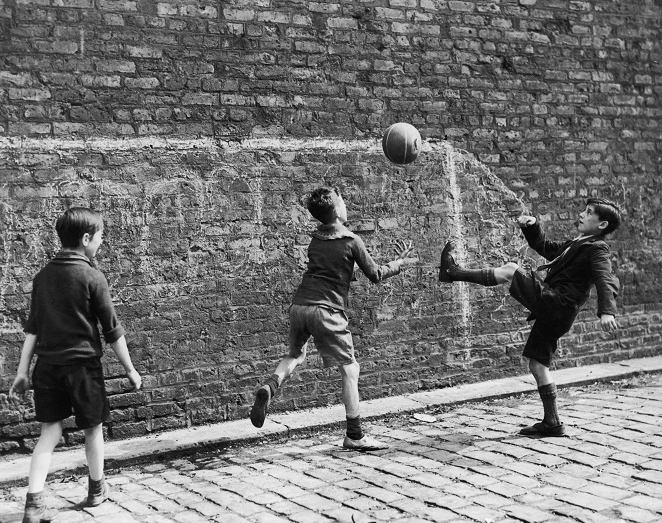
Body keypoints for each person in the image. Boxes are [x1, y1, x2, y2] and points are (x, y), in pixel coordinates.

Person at [250, 186, 418, 451]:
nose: (345, 204)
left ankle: (271, 386)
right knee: (351, 370)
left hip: (299, 306)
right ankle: (355, 434)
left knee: (295, 355)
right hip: (326, 311)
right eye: (342, 201)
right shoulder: (351, 240)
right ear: (338, 210)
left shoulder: (316, 239)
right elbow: (374, 274)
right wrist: (399, 264)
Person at [439, 198, 621, 437]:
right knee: (537, 364)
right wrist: (532, 225)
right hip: (557, 312)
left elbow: (604, 278)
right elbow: (545, 247)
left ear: (602, 224)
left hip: (556, 303)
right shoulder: (578, 243)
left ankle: (453, 273)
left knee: (511, 270)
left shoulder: (597, 249)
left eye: (588, 213)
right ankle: (552, 422)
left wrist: (607, 310)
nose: (581, 214)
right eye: (583, 210)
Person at [9, 207, 142, 523]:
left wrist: (22, 372)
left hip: (48, 367)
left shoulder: (42, 278)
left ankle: (33, 503)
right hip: (83, 368)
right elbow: (112, 330)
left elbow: (33, 329)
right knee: (92, 427)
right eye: (99, 239)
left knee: (49, 432)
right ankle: (96, 489)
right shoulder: (92, 277)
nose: (100, 244)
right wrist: (130, 368)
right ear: (86, 239)